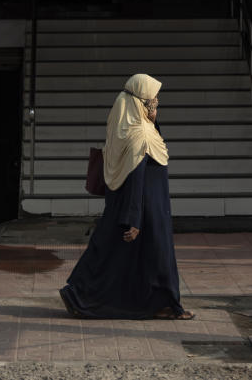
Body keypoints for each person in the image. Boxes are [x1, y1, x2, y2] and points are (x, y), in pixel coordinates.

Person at [59, 73, 194, 320]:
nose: (157, 102)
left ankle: (80, 295)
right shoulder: (139, 134)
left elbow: (150, 151)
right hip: (145, 207)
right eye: (153, 99)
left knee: (113, 254)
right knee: (155, 256)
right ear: (140, 101)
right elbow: (136, 176)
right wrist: (134, 219)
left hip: (137, 205)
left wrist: (154, 120)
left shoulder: (132, 126)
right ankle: (166, 305)